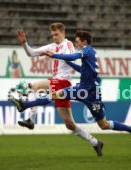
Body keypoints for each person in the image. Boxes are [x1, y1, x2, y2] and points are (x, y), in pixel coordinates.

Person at [11, 23, 104, 156]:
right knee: (69, 124)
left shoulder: (69, 45)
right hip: (57, 82)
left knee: (35, 86)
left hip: (64, 81)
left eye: (56, 34)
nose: (54, 37)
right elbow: (31, 53)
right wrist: (24, 43)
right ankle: (95, 142)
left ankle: (30, 119)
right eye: (52, 35)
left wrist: (56, 54)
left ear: (63, 33)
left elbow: (72, 56)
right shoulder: (51, 47)